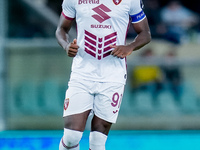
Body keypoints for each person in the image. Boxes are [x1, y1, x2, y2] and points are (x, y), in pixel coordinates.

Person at [55, 0, 151, 149]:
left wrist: (130, 47)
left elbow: (145, 33)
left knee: (98, 141)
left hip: (113, 76)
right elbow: (61, 29)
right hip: (82, 74)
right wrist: (66, 45)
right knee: (71, 137)